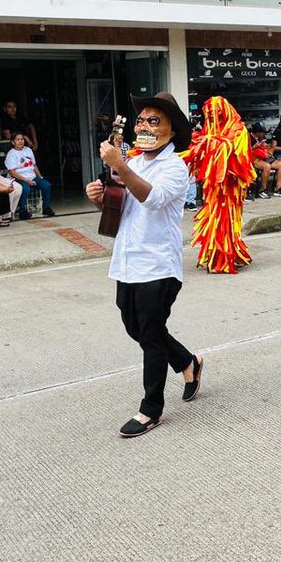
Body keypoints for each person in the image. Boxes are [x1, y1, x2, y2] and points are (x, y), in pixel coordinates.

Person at [85, 92, 203, 438]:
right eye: (141, 120)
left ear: (170, 131)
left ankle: (150, 409)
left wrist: (119, 165)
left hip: (158, 266)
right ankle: (186, 362)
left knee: (150, 336)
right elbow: (120, 207)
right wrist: (99, 199)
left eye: (155, 121)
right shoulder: (134, 162)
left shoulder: (174, 167)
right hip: (127, 262)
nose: (145, 126)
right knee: (135, 329)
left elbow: (151, 199)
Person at [185, 96, 256, 274]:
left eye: (215, 113)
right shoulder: (211, 130)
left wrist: (213, 143)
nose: (211, 117)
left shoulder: (238, 130)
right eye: (208, 114)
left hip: (230, 188)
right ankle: (217, 254)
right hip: (213, 189)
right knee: (213, 220)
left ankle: (224, 258)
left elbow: (239, 158)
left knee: (227, 222)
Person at [4, 133, 55, 219]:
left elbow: (34, 165)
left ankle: (46, 208)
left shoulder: (28, 150)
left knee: (46, 185)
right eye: (18, 139)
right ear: (13, 142)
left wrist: (40, 176)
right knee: (25, 188)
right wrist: (27, 181)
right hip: (18, 178)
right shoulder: (11, 154)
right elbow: (12, 172)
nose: (20, 141)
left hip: (32, 176)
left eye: (22, 139)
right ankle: (22, 210)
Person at [248, 122, 281, 200]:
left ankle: (278, 189)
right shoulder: (248, 137)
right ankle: (263, 190)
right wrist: (254, 147)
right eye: (263, 132)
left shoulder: (261, 138)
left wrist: (267, 147)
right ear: (257, 132)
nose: (264, 134)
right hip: (254, 159)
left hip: (264, 157)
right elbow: (244, 151)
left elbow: (268, 149)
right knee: (267, 166)